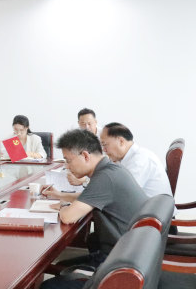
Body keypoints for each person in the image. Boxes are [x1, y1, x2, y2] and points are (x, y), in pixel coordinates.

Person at [41, 129, 147, 289]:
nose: (67, 167)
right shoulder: (110, 169)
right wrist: (60, 195)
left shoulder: (105, 177)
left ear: (85, 155)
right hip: (132, 251)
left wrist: (62, 206)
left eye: (68, 161)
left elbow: (68, 217)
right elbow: (90, 196)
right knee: (62, 266)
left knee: (49, 286)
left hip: (121, 262)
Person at [100, 122, 172, 199]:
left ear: (121, 141)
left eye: (104, 144)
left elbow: (122, 194)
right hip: (147, 204)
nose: (104, 150)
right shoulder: (130, 157)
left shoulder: (138, 161)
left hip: (152, 206)